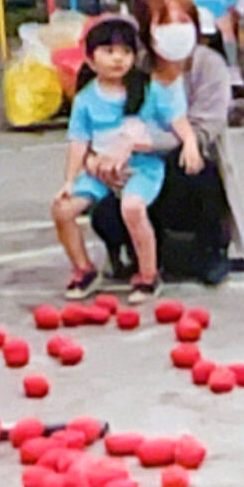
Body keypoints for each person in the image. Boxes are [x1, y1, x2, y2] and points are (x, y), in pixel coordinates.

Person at [89, 0, 244, 286]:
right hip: (137, 172)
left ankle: (211, 251)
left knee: (195, 167)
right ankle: (135, 252)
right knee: (101, 204)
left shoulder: (209, 65)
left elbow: (204, 130)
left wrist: (147, 142)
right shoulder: (134, 68)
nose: (175, 29)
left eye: (182, 20)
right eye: (165, 23)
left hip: (187, 173)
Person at [52, 16, 193, 300]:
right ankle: (84, 270)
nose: (118, 59)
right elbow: (79, 142)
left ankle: (148, 275)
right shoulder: (85, 100)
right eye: (109, 51)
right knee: (62, 210)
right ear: (90, 60)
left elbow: (176, 119)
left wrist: (190, 142)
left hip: (142, 169)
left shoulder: (148, 88)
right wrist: (69, 181)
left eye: (125, 52)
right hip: (99, 173)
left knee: (132, 207)